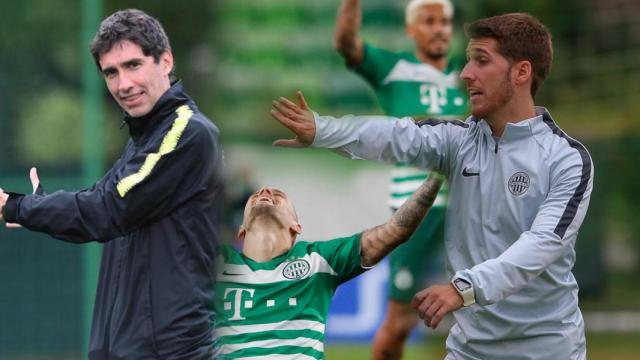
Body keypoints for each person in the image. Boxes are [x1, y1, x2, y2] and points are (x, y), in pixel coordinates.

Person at [271, 13, 593, 360]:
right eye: (468, 60)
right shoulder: (458, 140)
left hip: (547, 351)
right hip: (469, 351)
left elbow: (540, 245)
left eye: (481, 61)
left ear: (521, 72)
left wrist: (463, 289)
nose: (466, 73)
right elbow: (396, 135)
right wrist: (322, 130)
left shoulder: (567, 159)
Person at [0, 9, 223, 360]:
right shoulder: (145, 136)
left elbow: (107, 208)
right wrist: (36, 208)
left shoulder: (186, 134)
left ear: (165, 61)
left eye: (133, 65)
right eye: (111, 73)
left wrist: (15, 205)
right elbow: (101, 198)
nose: (123, 84)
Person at [333, 0, 467, 357]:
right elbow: (346, 44)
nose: (439, 28)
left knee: (491, 313)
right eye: (429, 21)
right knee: (398, 324)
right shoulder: (394, 68)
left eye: (444, 22)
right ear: (411, 30)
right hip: (417, 211)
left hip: (471, 209)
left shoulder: (469, 74)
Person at [213, 161, 443, 359]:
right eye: (256, 195)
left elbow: (395, 231)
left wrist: (438, 174)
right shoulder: (214, 262)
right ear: (241, 229)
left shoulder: (319, 259)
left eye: (279, 195)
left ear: (296, 227)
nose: (265, 191)